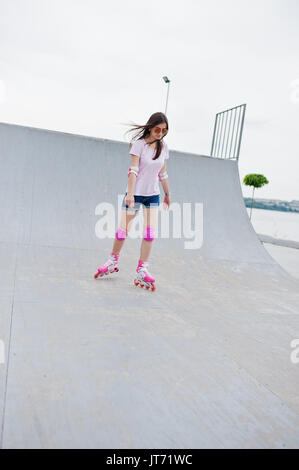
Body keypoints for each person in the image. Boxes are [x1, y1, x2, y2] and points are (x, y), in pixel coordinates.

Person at [94, 112, 171, 291]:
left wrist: (167, 194)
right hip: (135, 194)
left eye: (164, 130)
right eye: (157, 129)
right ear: (150, 127)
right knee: (123, 231)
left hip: (153, 195)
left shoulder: (164, 147)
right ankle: (112, 261)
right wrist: (129, 194)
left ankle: (142, 269)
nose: (160, 133)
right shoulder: (139, 145)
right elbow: (133, 170)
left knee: (149, 233)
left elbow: (163, 173)